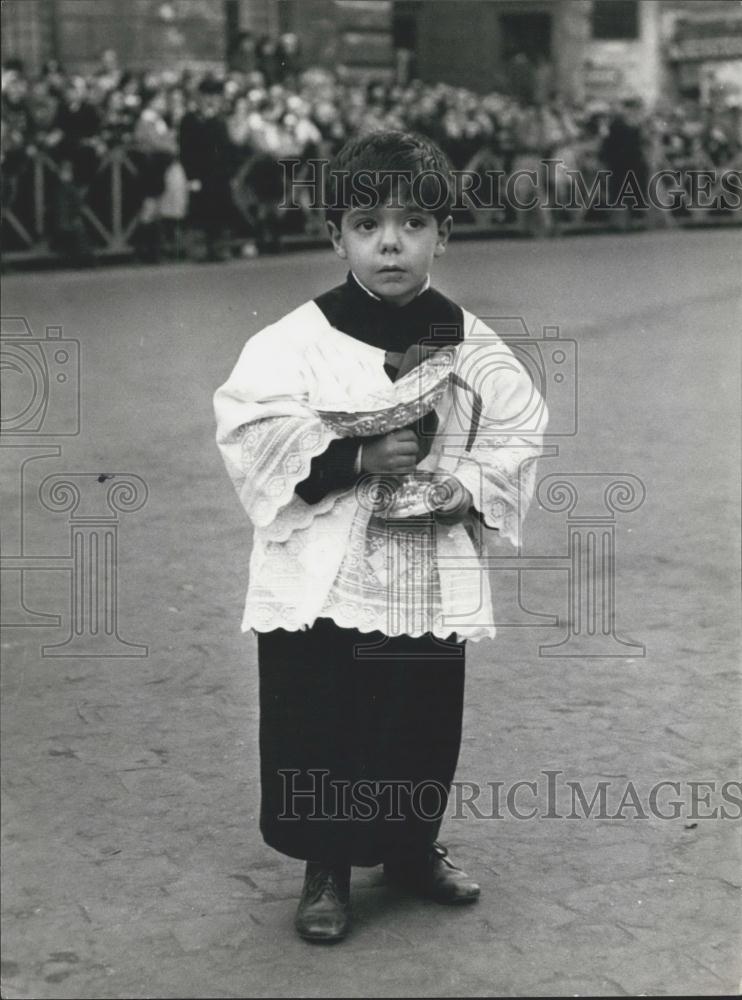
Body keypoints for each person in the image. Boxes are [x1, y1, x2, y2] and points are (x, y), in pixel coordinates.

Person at [213, 131, 546, 943]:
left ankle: (409, 844)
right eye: (367, 224)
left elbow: (519, 428)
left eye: (412, 223)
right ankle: (324, 867)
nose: (390, 242)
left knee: (418, 710)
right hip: (324, 562)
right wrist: (355, 455)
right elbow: (250, 427)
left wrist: (459, 486)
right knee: (321, 710)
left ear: (443, 234)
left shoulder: (467, 340)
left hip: (423, 559)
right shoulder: (297, 337)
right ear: (337, 238)